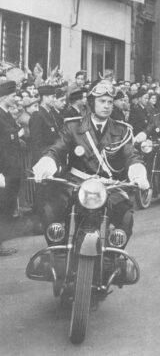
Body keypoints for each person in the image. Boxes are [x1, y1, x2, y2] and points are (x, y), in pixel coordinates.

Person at [32, 80, 149, 245]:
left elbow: (131, 155)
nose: (106, 106)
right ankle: (56, 251)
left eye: (109, 102)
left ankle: (113, 255)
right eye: (102, 101)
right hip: (75, 184)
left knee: (126, 217)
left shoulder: (122, 130)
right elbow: (58, 148)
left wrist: (138, 172)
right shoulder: (73, 126)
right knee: (51, 211)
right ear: (92, 102)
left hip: (109, 186)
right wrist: (47, 163)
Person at [0, 80, 24, 229]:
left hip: (12, 168)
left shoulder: (7, 115)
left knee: (7, 205)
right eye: (12, 95)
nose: (15, 98)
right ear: (3, 97)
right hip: (4, 169)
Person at [29, 85, 61, 163]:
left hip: (53, 156)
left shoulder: (51, 114)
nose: (55, 100)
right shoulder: (37, 115)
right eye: (53, 97)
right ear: (44, 97)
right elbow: (36, 144)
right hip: (44, 159)